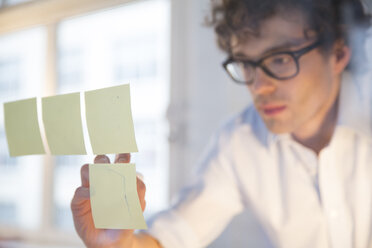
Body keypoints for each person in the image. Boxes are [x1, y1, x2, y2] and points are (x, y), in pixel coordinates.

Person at [71, 0, 372, 247]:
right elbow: (176, 233)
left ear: (338, 52)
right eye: (246, 63)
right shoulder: (239, 141)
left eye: (279, 59)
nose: (258, 86)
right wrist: (117, 244)